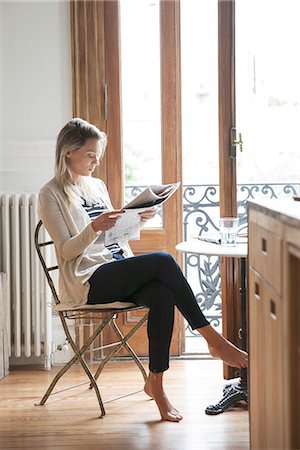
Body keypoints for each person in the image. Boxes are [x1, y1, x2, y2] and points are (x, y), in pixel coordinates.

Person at [38, 118, 248, 423]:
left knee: (163, 293)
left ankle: (156, 384)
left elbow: (112, 239)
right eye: (90, 155)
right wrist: (95, 227)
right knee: (163, 260)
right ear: (68, 152)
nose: (96, 161)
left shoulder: (96, 186)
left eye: (97, 154)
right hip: (88, 280)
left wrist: (135, 220)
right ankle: (212, 339)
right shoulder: (50, 194)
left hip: (114, 268)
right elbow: (68, 252)